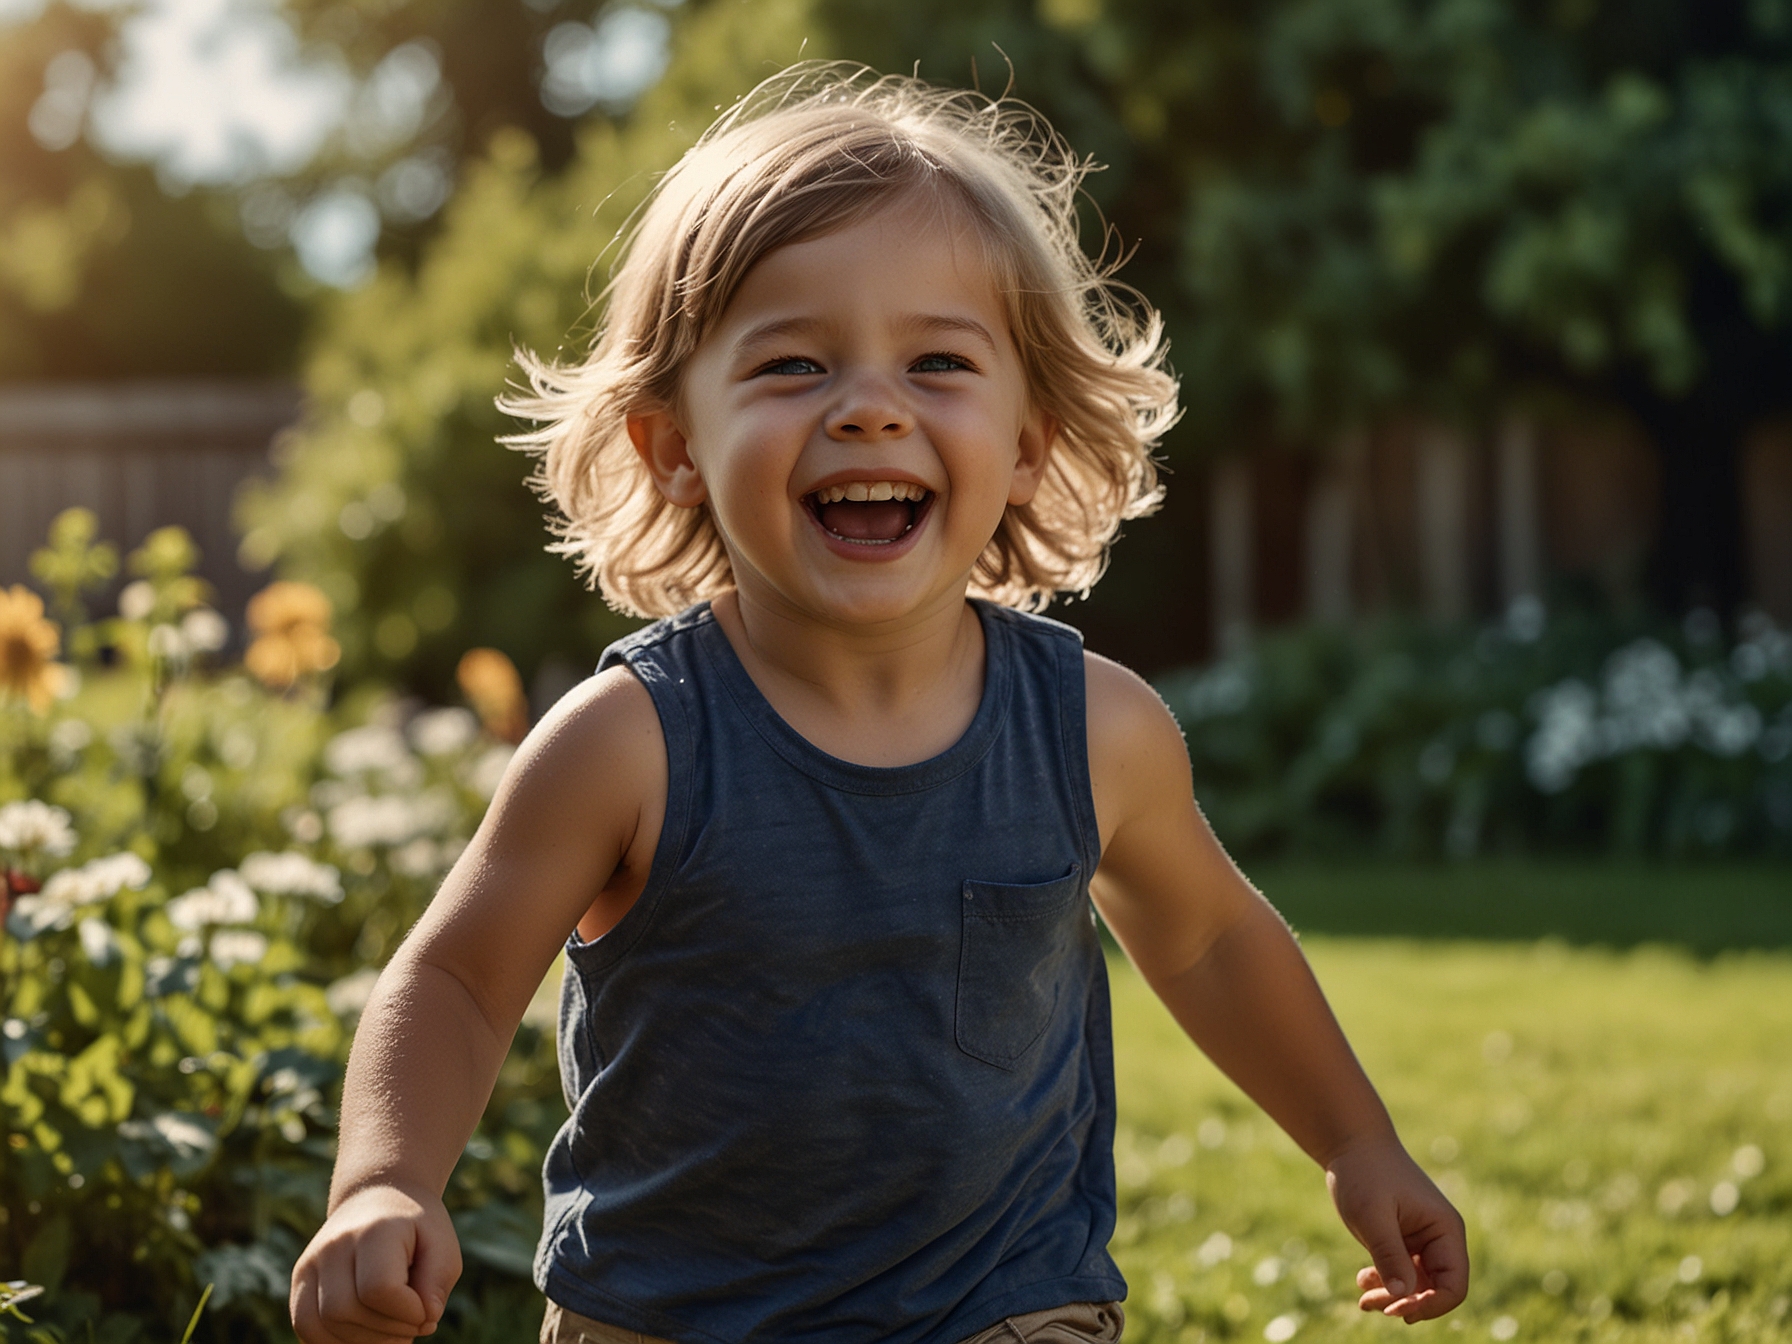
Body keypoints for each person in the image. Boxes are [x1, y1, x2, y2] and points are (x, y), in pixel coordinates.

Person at [289, 64, 1468, 1344]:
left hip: (1004, 1310)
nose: (866, 406)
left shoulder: (1093, 730)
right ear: (672, 442)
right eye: (792, 363)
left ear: (1025, 439)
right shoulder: (629, 742)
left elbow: (1211, 944)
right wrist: (384, 1181)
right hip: (677, 1319)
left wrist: (1356, 1143)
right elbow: (460, 977)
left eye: (938, 361)